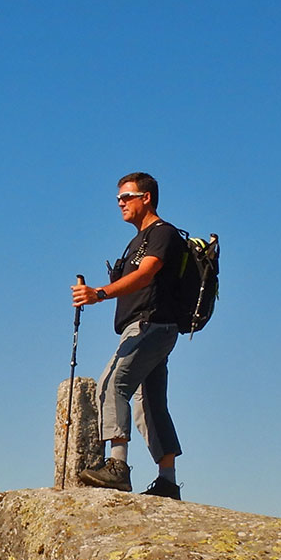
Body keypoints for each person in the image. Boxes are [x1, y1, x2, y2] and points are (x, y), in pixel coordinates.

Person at [71, 172, 184, 499]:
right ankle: (168, 482)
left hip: (151, 325)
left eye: (126, 197)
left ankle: (117, 467)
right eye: (118, 199)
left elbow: (146, 274)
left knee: (111, 382)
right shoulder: (138, 240)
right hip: (149, 327)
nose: (120, 203)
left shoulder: (163, 234)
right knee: (149, 403)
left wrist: (100, 294)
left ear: (145, 198)